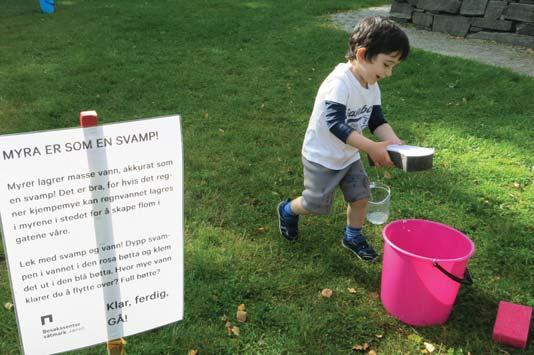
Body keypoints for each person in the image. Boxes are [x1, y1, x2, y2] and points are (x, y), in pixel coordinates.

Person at [277, 16, 410, 262]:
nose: (389, 73)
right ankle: (287, 210)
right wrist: (371, 147)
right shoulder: (339, 83)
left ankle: (353, 236)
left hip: (349, 156)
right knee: (314, 204)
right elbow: (335, 125)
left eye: (393, 67)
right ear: (362, 54)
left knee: (360, 197)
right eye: (387, 64)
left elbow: (376, 119)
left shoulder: (372, 83)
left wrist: (393, 142)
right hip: (322, 157)